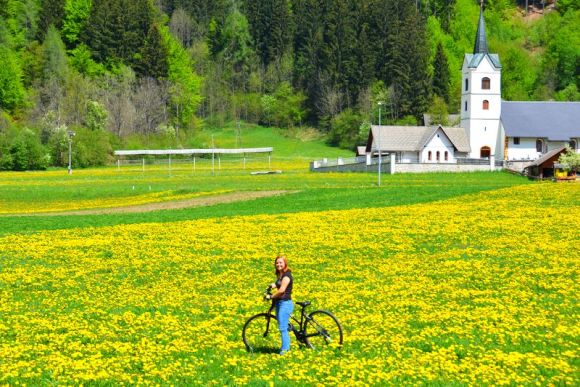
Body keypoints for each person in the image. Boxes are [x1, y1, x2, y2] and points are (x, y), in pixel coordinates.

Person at [264, 255, 294, 354]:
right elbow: (278, 283)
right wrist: (271, 285)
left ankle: (285, 350)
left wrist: (271, 296)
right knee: (283, 324)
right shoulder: (281, 275)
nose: (278, 264)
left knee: (282, 328)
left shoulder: (287, 275)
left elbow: (281, 290)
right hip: (279, 303)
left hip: (285, 304)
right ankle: (288, 328)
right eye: (277, 263)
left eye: (281, 262)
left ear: (285, 263)